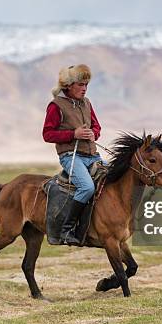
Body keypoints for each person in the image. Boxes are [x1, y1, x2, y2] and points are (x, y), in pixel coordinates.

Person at [42, 64, 103, 245]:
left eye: (86, 85)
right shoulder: (56, 106)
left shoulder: (87, 103)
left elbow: (96, 126)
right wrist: (72, 134)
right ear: (69, 85)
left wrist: (94, 133)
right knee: (87, 188)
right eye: (80, 84)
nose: (84, 88)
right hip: (71, 156)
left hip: (93, 155)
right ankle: (66, 230)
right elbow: (47, 134)